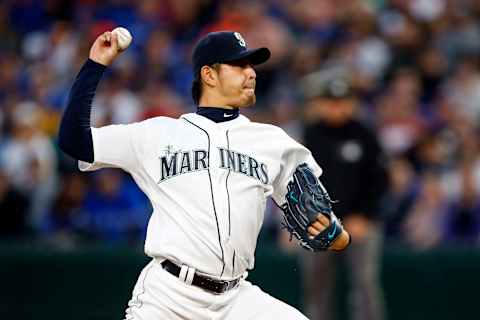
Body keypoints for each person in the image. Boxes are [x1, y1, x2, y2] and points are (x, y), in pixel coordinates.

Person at [58, 30, 350, 320]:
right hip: (169, 297)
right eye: (239, 66)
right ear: (209, 75)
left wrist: (338, 235)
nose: (251, 73)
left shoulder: (273, 143)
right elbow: (75, 142)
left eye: (251, 66)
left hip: (236, 299)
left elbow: (321, 219)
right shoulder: (156, 134)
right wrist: (95, 64)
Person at [301, 67, 388, 320]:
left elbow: (379, 180)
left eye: (342, 102)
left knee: (364, 286)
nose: (337, 108)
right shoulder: (311, 134)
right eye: (331, 102)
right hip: (319, 222)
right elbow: (300, 180)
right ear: (321, 104)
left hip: (360, 221)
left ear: (352, 103)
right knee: (317, 288)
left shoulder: (365, 134)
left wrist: (365, 215)